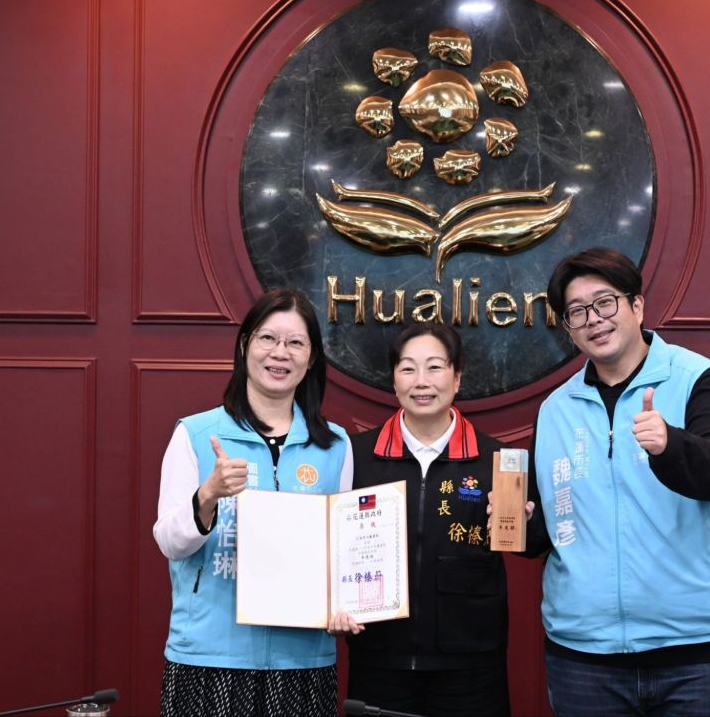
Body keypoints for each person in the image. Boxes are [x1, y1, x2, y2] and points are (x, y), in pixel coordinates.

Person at [524, 247, 710, 716]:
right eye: (577, 311)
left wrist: (671, 446)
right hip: (586, 657)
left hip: (704, 652)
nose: (594, 319)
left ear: (636, 306)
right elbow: (554, 524)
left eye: (605, 302)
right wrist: (520, 524)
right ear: (568, 329)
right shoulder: (556, 409)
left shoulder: (697, 379)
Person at [153, 287, 353, 717]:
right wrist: (207, 495)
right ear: (245, 345)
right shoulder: (195, 434)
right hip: (209, 656)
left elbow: (344, 551)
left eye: (295, 342)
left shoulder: (334, 446)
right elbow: (169, 542)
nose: (280, 353)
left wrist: (347, 602)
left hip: (303, 660)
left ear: (311, 358)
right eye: (268, 338)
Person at [328, 323, 512, 717]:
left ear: (457, 377)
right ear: (393, 380)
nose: (421, 381)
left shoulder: (497, 460)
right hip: (380, 659)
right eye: (408, 368)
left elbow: (534, 541)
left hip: (470, 666)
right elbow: (329, 543)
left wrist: (524, 526)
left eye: (435, 367)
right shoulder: (355, 456)